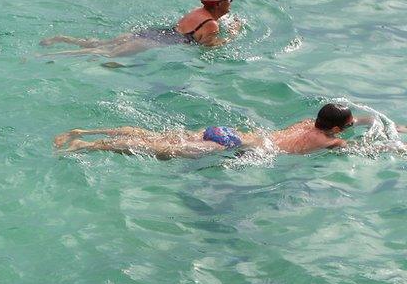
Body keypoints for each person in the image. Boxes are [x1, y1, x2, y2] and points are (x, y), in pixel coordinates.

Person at [54, 103, 407, 159]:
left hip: (231, 132)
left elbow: (362, 121)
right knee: (157, 151)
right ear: (334, 128)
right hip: (236, 148)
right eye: (345, 125)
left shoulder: (307, 124)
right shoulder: (328, 142)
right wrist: (397, 146)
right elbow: (369, 151)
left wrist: (395, 125)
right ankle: (88, 145)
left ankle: (86, 130)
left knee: (157, 135)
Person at [40, 0, 240, 57]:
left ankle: (61, 39)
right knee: (101, 53)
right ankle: (47, 57)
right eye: (228, 0)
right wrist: (232, 34)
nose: (230, 3)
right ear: (218, 4)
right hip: (155, 41)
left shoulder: (198, 10)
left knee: (102, 44)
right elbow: (209, 49)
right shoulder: (211, 25)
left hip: (154, 32)